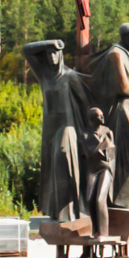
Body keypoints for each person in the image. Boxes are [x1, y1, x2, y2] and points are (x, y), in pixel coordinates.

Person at [23, 40, 91, 232]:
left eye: (55, 53)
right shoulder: (44, 75)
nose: (52, 57)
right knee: (52, 168)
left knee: (65, 160)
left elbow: (85, 104)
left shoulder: (70, 77)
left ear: (61, 55)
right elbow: (26, 50)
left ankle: (74, 210)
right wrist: (50, 43)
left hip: (67, 126)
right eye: (49, 54)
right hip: (50, 128)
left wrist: (90, 130)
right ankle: (58, 213)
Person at [91, 22, 129, 207]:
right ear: (123, 36)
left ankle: (123, 201)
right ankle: (118, 200)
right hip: (122, 109)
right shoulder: (116, 53)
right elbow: (124, 87)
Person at [82, 108, 117, 239]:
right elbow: (89, 153)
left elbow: (111, 153)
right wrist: (103, 145)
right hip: (92, 169)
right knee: (89, 199)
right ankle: (95, 231)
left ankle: (103, 233)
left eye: (102, 115)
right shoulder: (85, 133)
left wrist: (104, 148)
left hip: (105, 168)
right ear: (91, 118)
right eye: (98, 116)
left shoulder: (107, 131)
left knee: (99, 199)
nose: (102, 118)